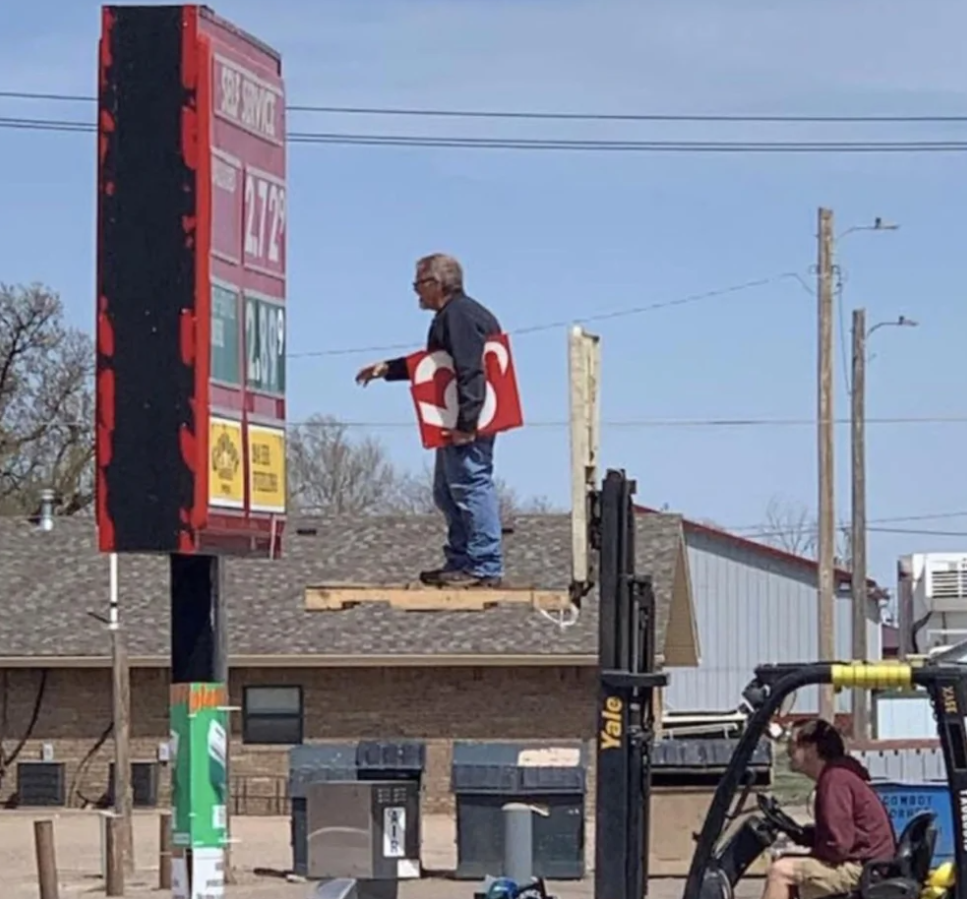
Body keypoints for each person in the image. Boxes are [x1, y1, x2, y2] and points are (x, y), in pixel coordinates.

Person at [355, 253, 504, 587]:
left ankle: (484, 565)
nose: (416, 293)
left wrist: (467, 425)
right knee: (447, 491)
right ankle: (462, 560)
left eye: (418, 284)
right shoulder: (457, 315)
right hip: (458, 419)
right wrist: (388, 369)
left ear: (436, 283)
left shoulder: (460, 316)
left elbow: (470, 370)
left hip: (467, 422)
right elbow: (436, 366)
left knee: (470, 485)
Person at [763, 718, 896, 899]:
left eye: (793, 745)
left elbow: (838, 846)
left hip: (861, 869)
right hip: (868, 863)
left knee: (780, 872)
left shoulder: (835, 780)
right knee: (785, 861)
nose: (788, 751)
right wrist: (802, 835)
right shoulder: (838, 775)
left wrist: (810, 852)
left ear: (812, 748)